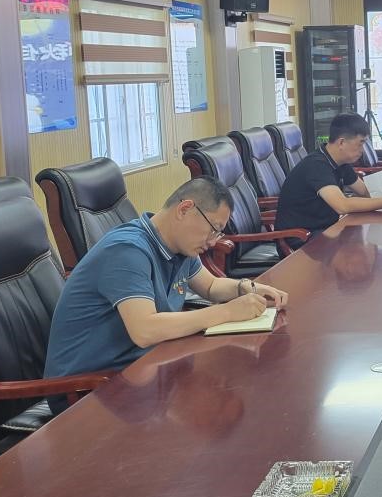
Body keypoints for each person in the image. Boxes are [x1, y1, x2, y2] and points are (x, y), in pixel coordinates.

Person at [44, 176, 289, 410]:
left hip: (138, 371)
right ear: (184, 209)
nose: (213, 242)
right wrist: (226, 312)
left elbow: (211, 286)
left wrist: (247, 287)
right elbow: (144, 331)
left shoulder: (179, 246)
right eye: (213, 229)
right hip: (86, 391)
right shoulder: (127, 251)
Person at [275, 112, 382, 237]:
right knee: (362, 247)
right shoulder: (316, 165)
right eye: (360, 143)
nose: (362, 150)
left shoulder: (340, 162)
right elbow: (342, 205)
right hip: (302, 238)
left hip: (327, 229)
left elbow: (365, 191)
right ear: (342, 142)